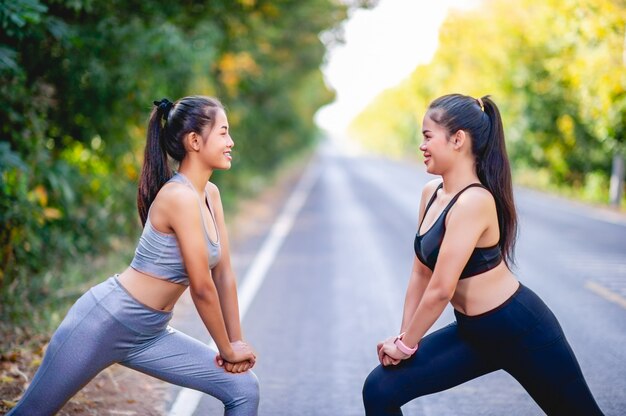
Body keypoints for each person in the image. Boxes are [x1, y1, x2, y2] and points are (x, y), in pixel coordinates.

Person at [8, 96, 260, 416]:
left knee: (243, 388)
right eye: (223, 132)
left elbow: (223, 275)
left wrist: (236, 344)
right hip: (104, 321)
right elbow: (202, 286)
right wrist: (225, 349)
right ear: (194, 141)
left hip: (151, 332)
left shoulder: (210, 194)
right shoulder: (179, 197)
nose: (231, 141)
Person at [362, 94, 604, 416]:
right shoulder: (430, 194)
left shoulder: (474, 202)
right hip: (473, 334)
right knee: (379, 389)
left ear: (458, 139)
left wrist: (405, 347)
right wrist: (405, 339)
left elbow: (440, 290)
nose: (421, 145)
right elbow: (421, 274)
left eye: (427, 136)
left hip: (521, 330)